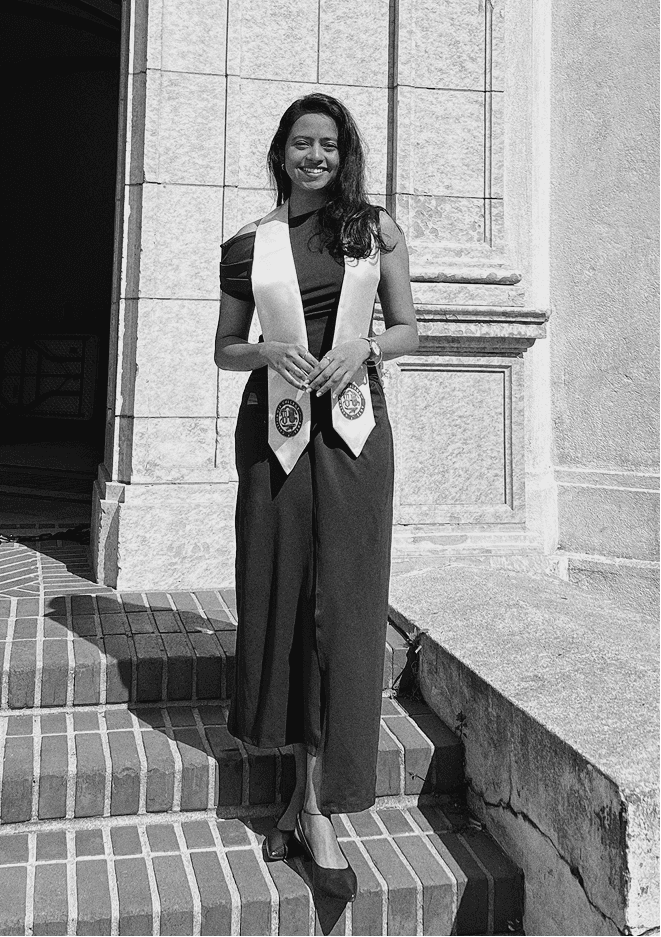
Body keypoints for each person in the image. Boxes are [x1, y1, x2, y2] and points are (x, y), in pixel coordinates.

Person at [215, 92, 418, 902]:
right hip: (276, 438)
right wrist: (265, 351)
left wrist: (362, 347)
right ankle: (305, 802)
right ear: (280, 152)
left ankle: (317, 807)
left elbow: (408, 327)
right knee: (284, 602)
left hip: (355, 441)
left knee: (344, 608)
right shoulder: (245, 246)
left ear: (344, 154)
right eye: (301, 144)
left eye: (327, 145)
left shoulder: (373, 231)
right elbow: (226, 348)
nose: (314, 157)